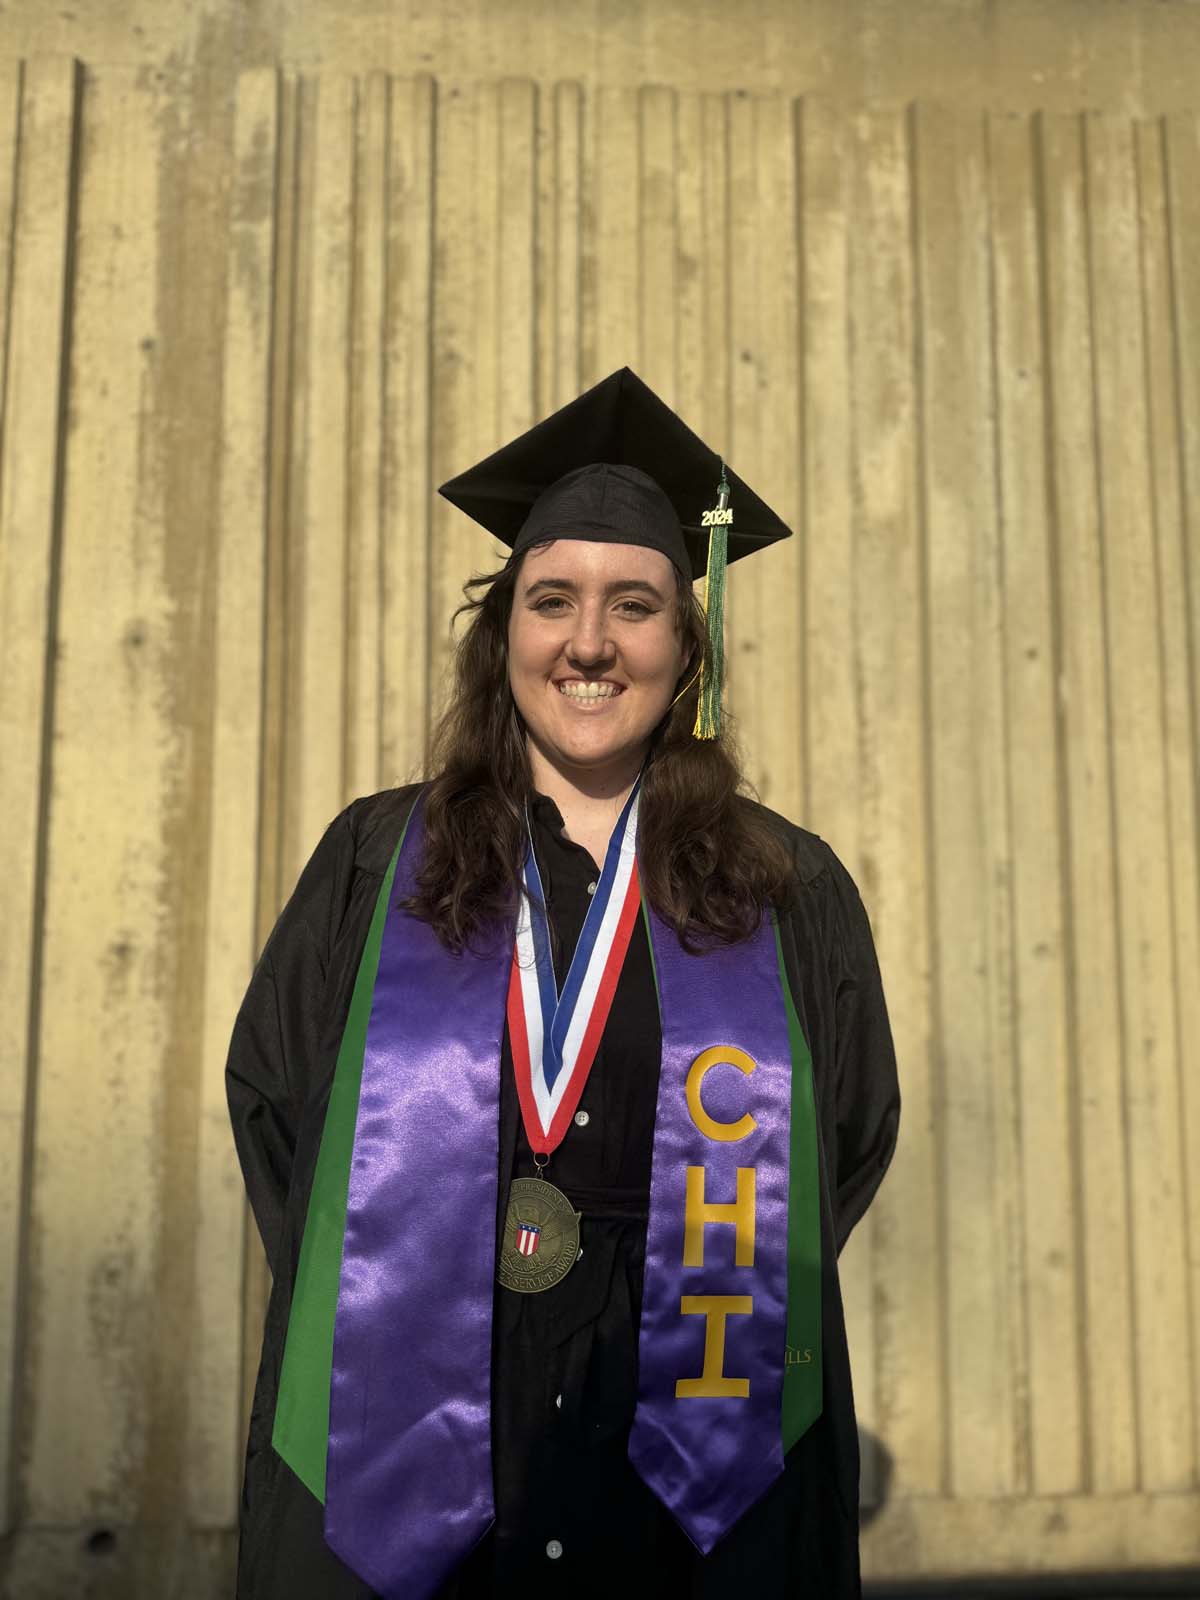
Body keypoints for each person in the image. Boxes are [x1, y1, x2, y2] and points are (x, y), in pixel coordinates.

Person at [226, 367, 900, 1600]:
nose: (590, 641)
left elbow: (842, 1144)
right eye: (553, 601)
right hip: (404, 1455)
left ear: (685, 644)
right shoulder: (375, 862)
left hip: (689, 1469)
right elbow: (278, 1117)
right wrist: (405, 1296)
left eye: (634, 603)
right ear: (506, 637)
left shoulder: (783, 886)